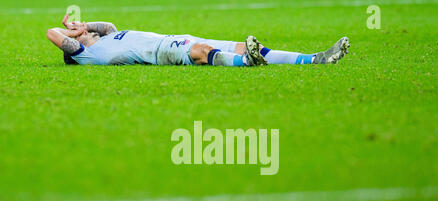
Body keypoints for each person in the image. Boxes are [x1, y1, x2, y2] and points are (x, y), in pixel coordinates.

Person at [46, 14, 350, 67]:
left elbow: (108, 24)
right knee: (202, 53)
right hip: (161, 51)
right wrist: (73, 34)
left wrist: (83, 25)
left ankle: (315, 59)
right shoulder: (88, 55)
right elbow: (52, 34)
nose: (86, 31)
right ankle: (246, 63)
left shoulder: (108, 35)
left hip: (173, 38)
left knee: (240, 45)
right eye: (81, 34)